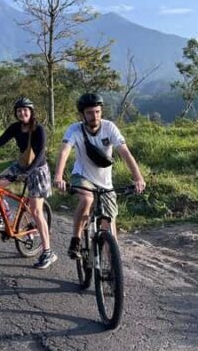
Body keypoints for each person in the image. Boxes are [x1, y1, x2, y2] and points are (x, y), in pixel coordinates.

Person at [53, 93, 146, 259]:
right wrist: (59, 176)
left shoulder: (109, 127)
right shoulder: (74, 129)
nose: (94, 116)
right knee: (87, 199)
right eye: (89, 113)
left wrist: (138, 178)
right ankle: (76, 240)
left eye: (97, 112)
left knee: (110, 229)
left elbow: (125, 153)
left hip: (105, 183)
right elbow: (65, 150)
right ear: (83, 115)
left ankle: (112, 271)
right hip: (82, 176)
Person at [0, 97, 56, 269]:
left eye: (25, 110)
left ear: (31, 112)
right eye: (19, 111)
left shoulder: (39, 129)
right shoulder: (16, 128)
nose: (22, 113)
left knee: (37, 211)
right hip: (22, 164)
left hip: (38, 170)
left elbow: (40, 154)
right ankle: (4, 216)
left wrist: (27, 173)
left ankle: (48, 252)